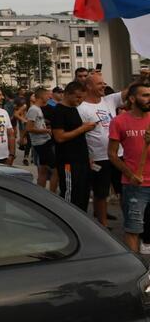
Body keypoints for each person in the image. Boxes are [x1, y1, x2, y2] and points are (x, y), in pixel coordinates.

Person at [108, 82, 150, 253]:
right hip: (135, 186)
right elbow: (111, 154)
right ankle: (137, 273)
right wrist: (130, 174)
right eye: (145, 95)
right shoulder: (119, 121)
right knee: (133, 229)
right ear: (132, 99)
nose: (149, 99)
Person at [78, 71, 121, 227]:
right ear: (88, 86)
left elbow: (130, 93)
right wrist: (87, 157)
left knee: (123, 189)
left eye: (103, 83)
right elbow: (80, 136)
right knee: (101, 192)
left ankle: (130, 219)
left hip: (118, 155)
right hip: (98, 157)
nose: (104, 85)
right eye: (99, 83)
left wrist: (143, 78)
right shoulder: (81, 108)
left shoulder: (109, 100)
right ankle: (102, 224)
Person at [51, 81, 99, 213]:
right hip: (68, 160)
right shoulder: (59, 111)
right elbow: (59, 137)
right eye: (77, 97)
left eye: (82, 98)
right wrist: (82, 128)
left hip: (81, 159)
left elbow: (76, 132)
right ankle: (67, 222)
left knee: (83, 193)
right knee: (70, 194)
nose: (80, 101)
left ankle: (80, 221)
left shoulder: (74, 109)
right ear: (67, 94)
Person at [27, 87, 56, 192]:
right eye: (48, 95)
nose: (49, 97)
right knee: (56, 170)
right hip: (42, 143)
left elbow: (38, 125)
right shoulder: (33, 109)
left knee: (43, 169)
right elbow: (29, 128)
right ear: (42, 96)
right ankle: (53, 194)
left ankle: (40, 193)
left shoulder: (38, 109)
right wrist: (46, 131)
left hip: (44, 141)